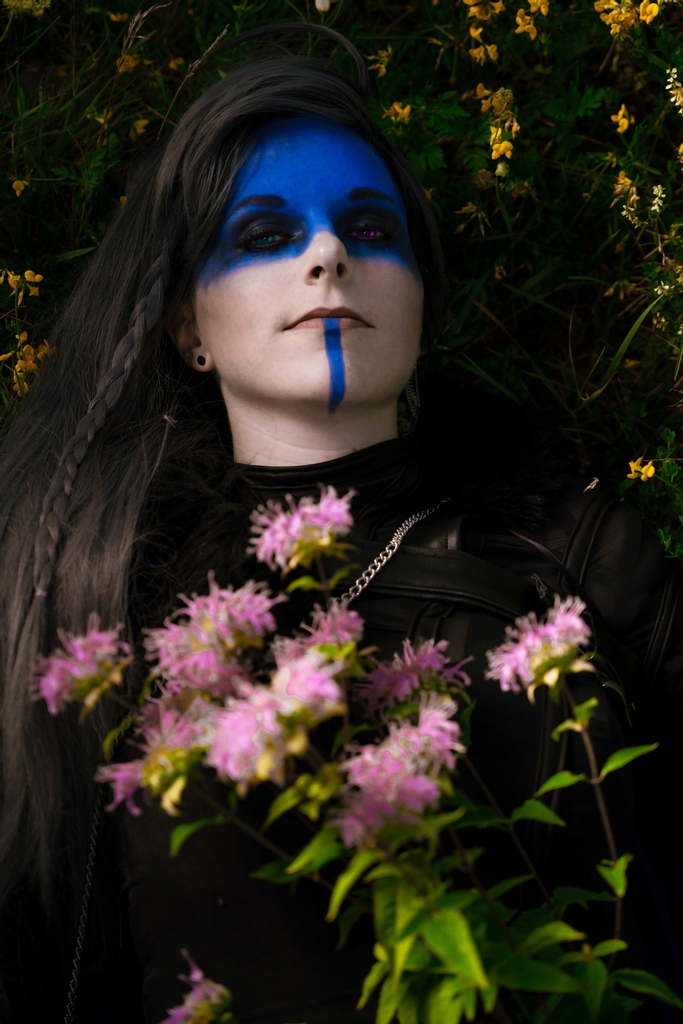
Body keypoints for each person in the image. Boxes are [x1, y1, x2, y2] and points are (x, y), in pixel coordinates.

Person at [0, 26, 681, 1024]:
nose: (327, 254)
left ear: (419, 298)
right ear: (187, 326)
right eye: (264, 235)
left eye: (368, 228)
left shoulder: (575, 548)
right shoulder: (105, 604)